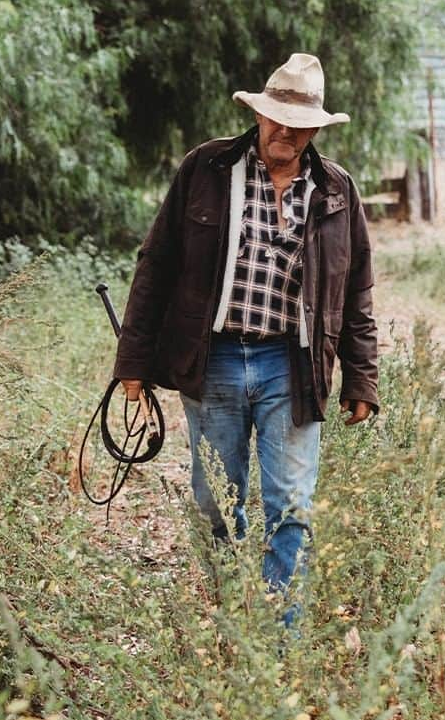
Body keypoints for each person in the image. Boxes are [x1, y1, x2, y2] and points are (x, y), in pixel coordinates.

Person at [113, 53, 378, 623]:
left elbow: (357, 287)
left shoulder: (335, 190)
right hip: (215, 360)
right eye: (276, 117)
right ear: (259, 114)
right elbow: (155, 263)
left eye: (298, 122)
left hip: (294, 363)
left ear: (315, 128)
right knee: (215, 501)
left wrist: (362, 376)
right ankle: (233, 616)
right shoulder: (206, 169)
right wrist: (132, 361)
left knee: (290, 505)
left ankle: (280, 638)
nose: (285, 130)